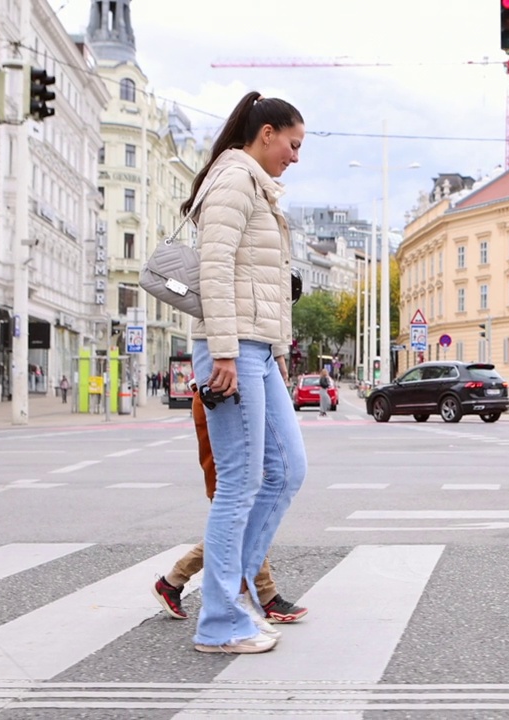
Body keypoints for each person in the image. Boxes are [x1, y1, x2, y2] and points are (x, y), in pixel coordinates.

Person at [184, 91, 308, 655]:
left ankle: (238, 598)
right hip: (232, 351)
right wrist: (226, 352)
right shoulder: (234, 179)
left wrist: (276, 349)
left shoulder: (255, 184)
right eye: (293, 144)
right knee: (238, 484)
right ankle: (218, 622)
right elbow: (215, 268)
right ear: (266, 134)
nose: (295, 156)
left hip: (259, 351)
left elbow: (261, 280)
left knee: (287, 471)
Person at [152, 381, 309, 632]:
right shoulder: (213, 388)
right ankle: (262, 600)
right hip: (225, 451)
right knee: (242, 524)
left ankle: (172, 582)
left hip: (233, 426)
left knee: (245, 526)